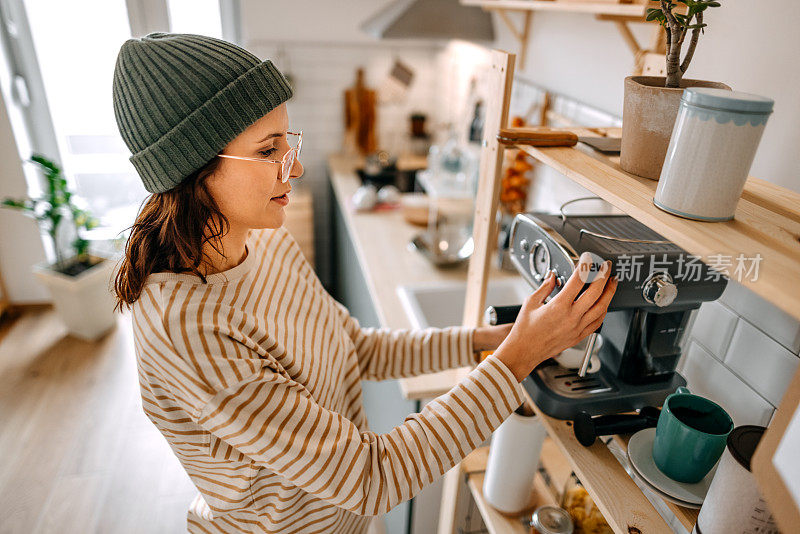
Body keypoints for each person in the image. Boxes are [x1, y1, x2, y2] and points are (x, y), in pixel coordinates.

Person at [111, 32, 618, 534]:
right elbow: (371, 476)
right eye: (268, 151)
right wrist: (517, 359)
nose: (295, 165)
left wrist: (484, 342)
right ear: (193, 170)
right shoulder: (189, 330)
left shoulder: (261, 241)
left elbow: (355, 349)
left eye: (289, 141)